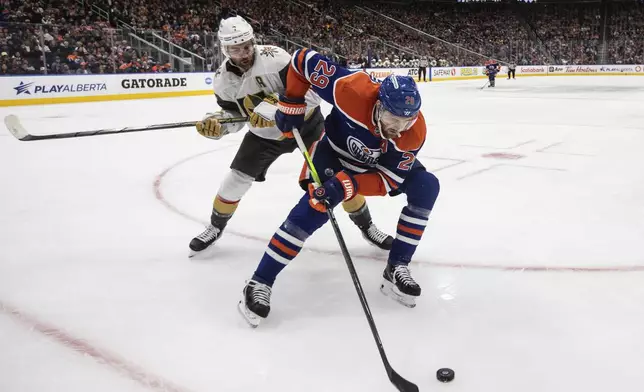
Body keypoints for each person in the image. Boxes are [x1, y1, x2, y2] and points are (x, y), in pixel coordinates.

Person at [238, 48, 441, 327]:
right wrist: (292, 103)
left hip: (374, 167)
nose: (400, 128)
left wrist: (349, 185)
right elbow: (301, 61)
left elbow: (387, 180)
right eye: (394, 119)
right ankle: (259, 281)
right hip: (332, 154)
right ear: (379, 105)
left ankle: (396, 267)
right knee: (313, 208)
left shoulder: (412, 131)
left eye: (407, 120)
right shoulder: (350, 90)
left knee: (426, 186)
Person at [189, 16, 393, 257]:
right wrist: (220, 125)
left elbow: (311, 96)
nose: (243, 53)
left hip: (307, 126)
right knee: (235, 180)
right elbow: (234, 115)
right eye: (236, 49)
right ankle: (215, 227)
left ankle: (367, 227)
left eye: (246, 46)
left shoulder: (276, 58)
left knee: (339, 176)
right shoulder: (223, 81)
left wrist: (276, 108)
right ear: (225, 49)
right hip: (264, 136)